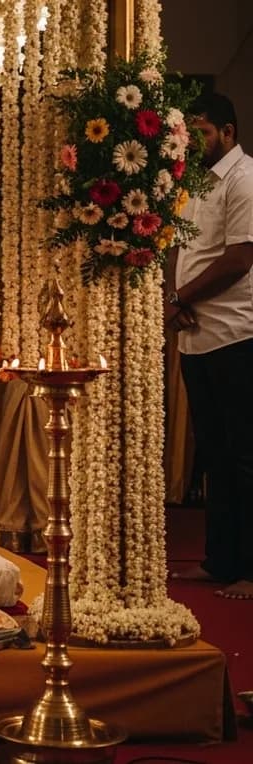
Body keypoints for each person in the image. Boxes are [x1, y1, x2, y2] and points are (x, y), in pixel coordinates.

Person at [168, 92, 253, 599]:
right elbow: (180, 248)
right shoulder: (193, 182)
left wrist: (179, 297)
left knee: (244, 456)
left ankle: (249, 570)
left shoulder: (244, 178)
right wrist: (173, 301)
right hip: (197, 335)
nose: (195, 141)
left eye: (202, 133)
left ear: (228, 133)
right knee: (215, 456)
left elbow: (240, 258)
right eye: (190, 133)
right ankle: (219, 561)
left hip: (236, 334)